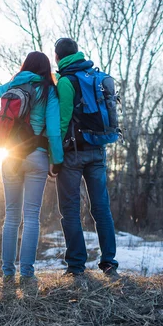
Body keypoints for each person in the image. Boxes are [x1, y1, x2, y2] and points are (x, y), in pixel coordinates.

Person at [0, 51, 63, 286]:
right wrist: (57, 159)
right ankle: (28, 274)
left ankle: (7, 272)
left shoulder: (15, 84)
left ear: (26, 66)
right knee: (31, 217)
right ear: (45, 68)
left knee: (11, 217)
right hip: (37, 157)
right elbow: (53, 129)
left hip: (10, 156)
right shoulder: (49, 90)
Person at [54, 38, 119, 278]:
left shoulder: (66, 81)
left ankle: (76, 267)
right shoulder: (95, 76)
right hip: (98, 150)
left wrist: (56, 156)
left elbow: (62, 121)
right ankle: (109, 262)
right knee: (101, 208)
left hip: (73, 154)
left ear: (58, 57)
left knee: (70, 210)